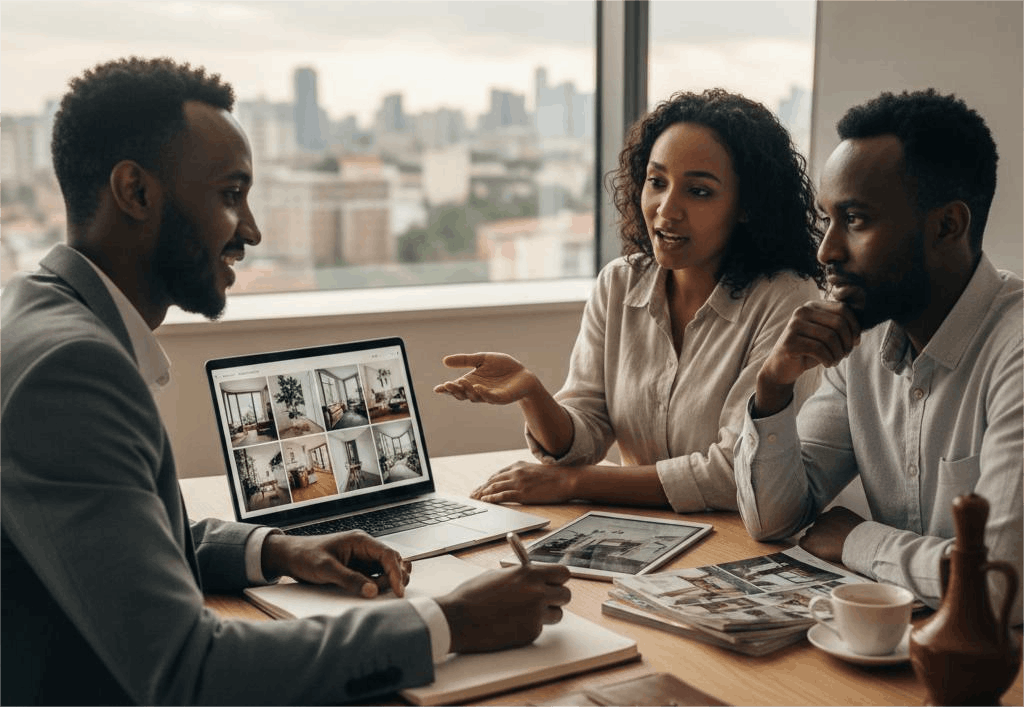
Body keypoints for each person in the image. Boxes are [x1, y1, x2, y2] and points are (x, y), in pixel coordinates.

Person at [0, 57, 571, 707]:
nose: (251, 230)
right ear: (135, 191)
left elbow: (125, 536)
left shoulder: (38, 309)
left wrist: (280, 549)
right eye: (229, 193)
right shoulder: (71, 371)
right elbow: (191, 672)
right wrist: (450, 622)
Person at [435, 89, 823, 512]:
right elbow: (585, 440)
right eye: (657, 182)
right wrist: (532, 394)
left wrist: (573, 482)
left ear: (747, 206)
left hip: (738, 541)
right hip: (636, 531)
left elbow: (736, 472)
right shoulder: (619, 283)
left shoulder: (786, 299)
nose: (666, 209)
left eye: (699, 192)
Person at [735, 89, 1023, 624]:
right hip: (906, 649)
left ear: (947, 227)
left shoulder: (1016, 352)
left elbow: (1002, 585)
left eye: (857, 220)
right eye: (827, 220)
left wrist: (856, 540)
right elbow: (773, 520)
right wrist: (773, 384)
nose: (827, 251)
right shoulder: (861, 340)